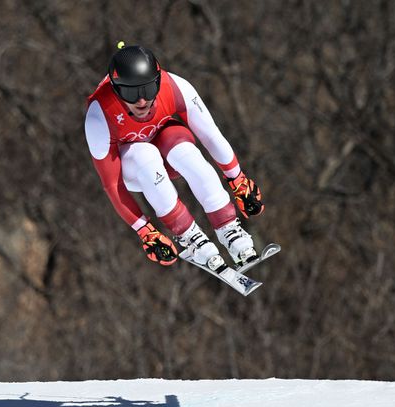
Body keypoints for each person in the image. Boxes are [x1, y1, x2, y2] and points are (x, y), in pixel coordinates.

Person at [84, 42, 265, 271]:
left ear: (158, 82)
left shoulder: (175, 87)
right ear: (117, 89)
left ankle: (230, 229)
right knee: (144, 155)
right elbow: (112, 184)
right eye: (131, 92)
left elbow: (210, 135)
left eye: (148, 90)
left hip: (166, 147)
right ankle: (192, 238)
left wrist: (237, 179)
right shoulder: (99, 114)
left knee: (188, 154)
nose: (142, 101)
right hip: (134, 166)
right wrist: (145, 231)